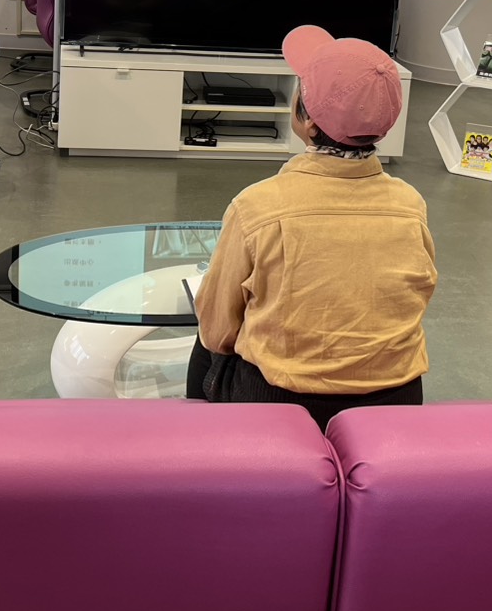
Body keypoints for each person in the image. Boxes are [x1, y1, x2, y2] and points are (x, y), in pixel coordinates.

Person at [186, 25, 437, 428]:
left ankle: (201, 441)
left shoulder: (256, 206)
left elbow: (218, 331)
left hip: (280, 401)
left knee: (206, 342)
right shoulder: (411, 205)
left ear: (307, 121)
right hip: (396, 399)